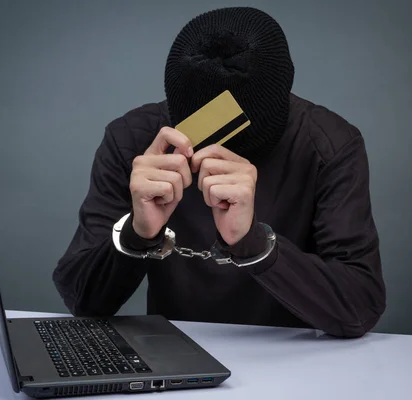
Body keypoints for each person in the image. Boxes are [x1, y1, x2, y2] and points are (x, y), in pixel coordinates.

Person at [53, 6, 386, 338]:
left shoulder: (330, 145)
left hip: (296, 361)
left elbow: (360, 308)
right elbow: (83, 301)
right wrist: (138, 235)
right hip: (176, 357)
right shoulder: (133, 141)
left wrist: (253, 244)